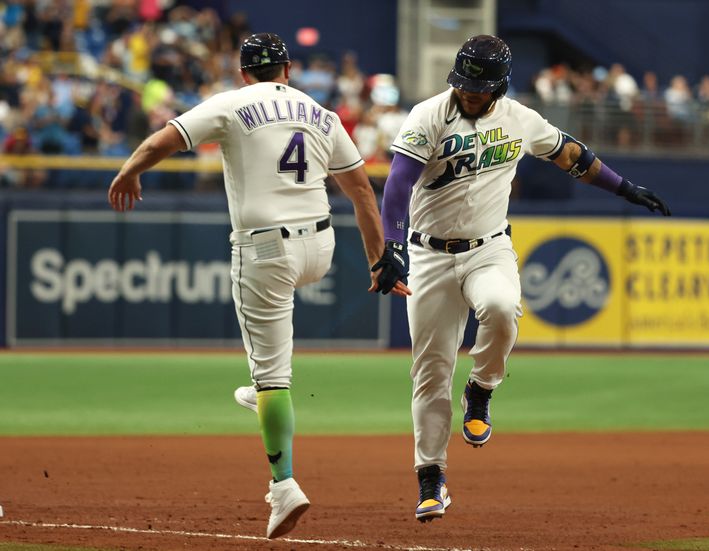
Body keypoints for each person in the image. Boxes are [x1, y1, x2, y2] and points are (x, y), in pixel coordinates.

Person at [107, 32, 409, 540]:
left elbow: (161, 140)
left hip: (266, 248)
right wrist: (381, 261)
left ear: (244, 72)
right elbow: (361, 191)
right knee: (268, 369)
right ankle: (263, 393)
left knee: (274, 378)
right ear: (288, 69)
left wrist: (128, 171)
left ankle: (284, 482)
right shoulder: (322, 112)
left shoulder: (231, 103)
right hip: (321, 248)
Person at [369, 35, 670, 523]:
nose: (468, 92)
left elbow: (572, 155)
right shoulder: (427, 115)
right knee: (431, 373)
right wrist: (393, 246)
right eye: (463, 83)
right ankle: (431, 479)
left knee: (503, 309)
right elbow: (399, 182)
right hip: (427, 257)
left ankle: (482, 389)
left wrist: (624, 188)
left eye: (478, 86)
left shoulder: (519, 119)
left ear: (499, 86)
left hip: (489, 248)